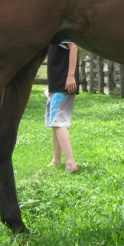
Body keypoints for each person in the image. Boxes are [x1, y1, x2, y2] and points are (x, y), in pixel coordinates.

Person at [45, 40, 80, 173]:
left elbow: (74, 47)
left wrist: (71, 76)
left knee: (59, 122)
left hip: (63, 85)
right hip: (56, 85)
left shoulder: (63, 29)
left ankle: (71, 163)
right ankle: (56, 159)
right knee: (54, 122)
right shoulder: (54, 31)